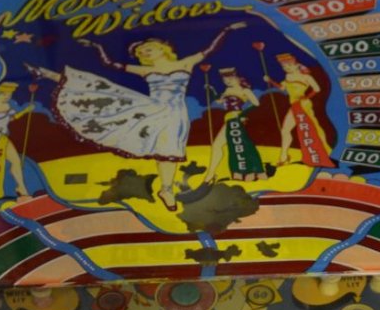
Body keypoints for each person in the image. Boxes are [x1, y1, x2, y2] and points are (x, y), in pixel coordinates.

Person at [27, 23, 246, 211]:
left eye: (148, 48)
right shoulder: (144, 70)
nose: (145, 53)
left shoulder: (185, 63)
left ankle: (166, 189)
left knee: (170, 151)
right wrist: (97, 46)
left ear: (163, 48)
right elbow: (110, 64)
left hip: (176, 113)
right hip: (150, 110)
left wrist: (227, 29)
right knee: (100, 90)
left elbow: (209, 49)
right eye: (142, 52)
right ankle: (47, 73)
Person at [266, 52, 334, 168]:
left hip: (303, 105)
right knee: (285, 130)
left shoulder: (306, 77)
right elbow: (282, 87)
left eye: (289, 65)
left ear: (296, 65)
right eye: (284, 67)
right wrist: (270, 81)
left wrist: (306, 97)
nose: (286, 68)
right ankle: (284, 157)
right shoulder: (288, 77)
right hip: (294, 105)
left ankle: (324, 152)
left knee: (312, 128)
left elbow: (317, 89)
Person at [203, 67, 268, 183]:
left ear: (238, 77)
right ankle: (213, 173)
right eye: (224, 79)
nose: (227, 81)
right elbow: (219, 101)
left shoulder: (245, 90)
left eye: (230, 78)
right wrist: (211, 90)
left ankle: (249, 172)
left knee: (240, 145)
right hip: (229, 120)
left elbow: (256, 104)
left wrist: (242, 114)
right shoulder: (227, 90)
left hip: (236, 120)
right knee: (219, 145)